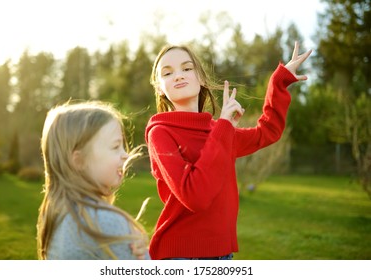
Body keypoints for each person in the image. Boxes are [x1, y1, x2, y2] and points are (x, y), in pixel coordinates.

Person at [145, 41, 312, 260]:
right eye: (167, 73)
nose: (178, 75)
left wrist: (278, 82)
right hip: (181, 256)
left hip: (223, 255)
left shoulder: (220, 131)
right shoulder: (160, 133)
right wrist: (224, 127)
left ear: (202, 79)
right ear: (159, 87)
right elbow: (195, 197)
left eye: (187, 68)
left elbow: (268, 132)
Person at [37, 100, 150, 260]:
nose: (125, 154)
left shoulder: (59, 212)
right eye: (115, 146)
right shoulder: (105, 222)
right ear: (78, 161)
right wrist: (143, 254)